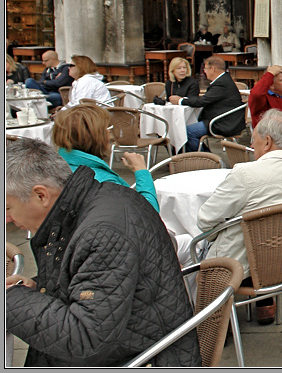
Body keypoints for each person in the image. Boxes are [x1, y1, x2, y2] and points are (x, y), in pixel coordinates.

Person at [5, 138, 200, 366]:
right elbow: (97, 282)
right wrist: (38, 289)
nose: (7, 219)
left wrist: (11, 300)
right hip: (136, 338)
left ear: (41, 195)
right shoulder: (95, 199)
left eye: (8, 207)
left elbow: (86, 340)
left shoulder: (101, 231)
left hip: (142, 358)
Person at [197, 110, 282, 325]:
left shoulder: (244, 174)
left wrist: (226, 226)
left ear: (267, 142)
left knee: (197, 249)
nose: (252, 147)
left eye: (254, 141)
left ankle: (215, 325)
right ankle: (265, 305)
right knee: (266, 237)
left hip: (242, 267)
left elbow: (205, 220)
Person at [52, 104, 159, 212]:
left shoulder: (57, 166)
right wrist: (141, 171)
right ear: (95, 137)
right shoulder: (103, 182)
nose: (110, 133)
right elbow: (148, 213)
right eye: (107, 128)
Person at [171, 56, 245, 153]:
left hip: (223, 123)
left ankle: (207, 158)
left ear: (212, 69)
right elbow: (206, 99)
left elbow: (202, 101)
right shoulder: (224, 80)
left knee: (186, 132)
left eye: (205, 69)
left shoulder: (221, 83)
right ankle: (202, 157)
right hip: (223, 120)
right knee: (184, 130)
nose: (204, 72)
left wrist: (180, 101)